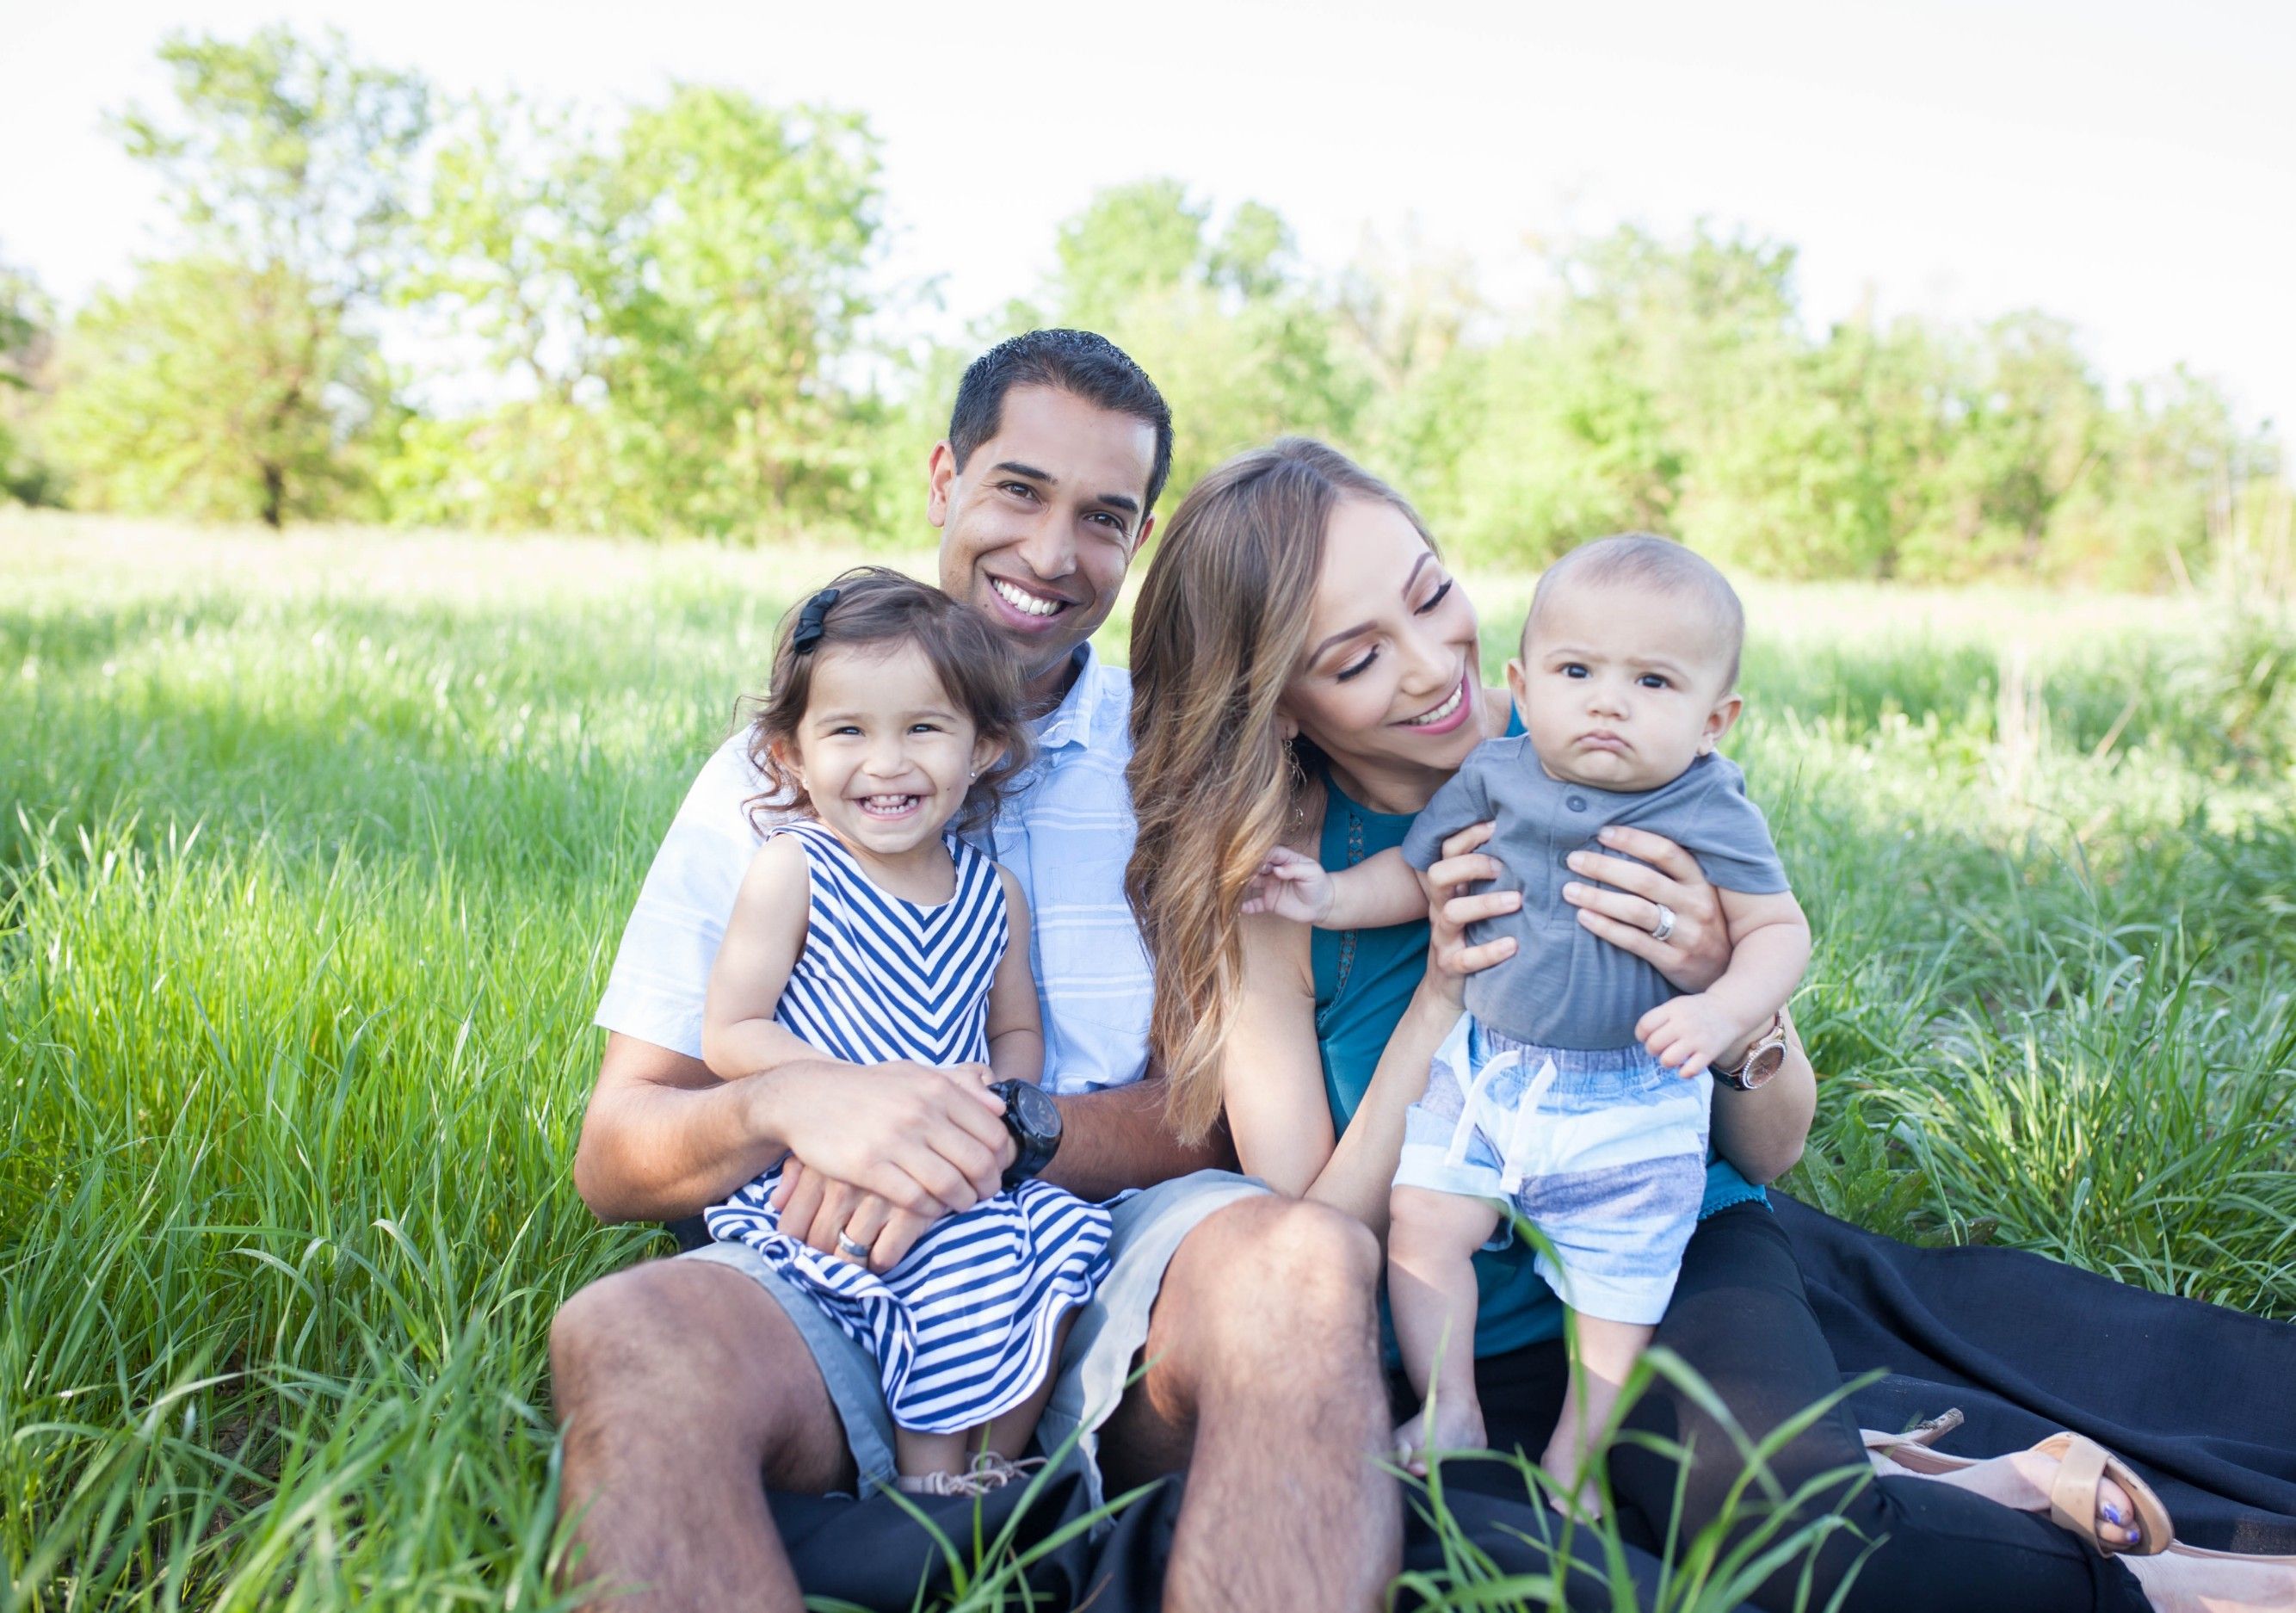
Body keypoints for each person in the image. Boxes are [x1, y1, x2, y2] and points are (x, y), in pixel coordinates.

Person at [1122, 436, 2296, 1613]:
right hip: (1459, 1342)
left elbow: (1772, 1148)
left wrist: (1717, 987)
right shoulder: (1281, 893)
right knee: (1567, 1573)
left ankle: (2174, 1583)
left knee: (1788, 1548)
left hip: (1672, 1242)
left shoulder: (1613, 732)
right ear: (1276, 705)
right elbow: (1315, 1238)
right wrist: (1441, 992)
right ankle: (1984, 1488)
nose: (1435, 668)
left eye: (1432, 595)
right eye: (1359, 656)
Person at [549, 332, 1401, 1613]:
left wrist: (984, 1135)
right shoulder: (780, 774)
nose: (1052, 553)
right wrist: (798, 1103)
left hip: (1115, 1261)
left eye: (1102, 517)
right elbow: (617, 1154)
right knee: (623, 1333)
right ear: (945, 478)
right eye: (1019, 489)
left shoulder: (1179, 759)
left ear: (1141, 538)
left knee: (1309, 1264)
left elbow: (1226, 1108)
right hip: (830, 1261)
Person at [1244, 534, 1811, 1502]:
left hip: (1627, 1100)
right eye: (1578, 672)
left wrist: (1721, 1000)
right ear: (1528, 680)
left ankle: (1574, 1455)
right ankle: (1449, 1404)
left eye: (1652, 683)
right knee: (1425, 1220)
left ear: (1715, 720)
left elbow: (1780, 932)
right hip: (1493, 1079)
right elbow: (1416, 873)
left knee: (1621, 1291)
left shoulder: (1705, 802)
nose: (1607, 703)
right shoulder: (1498, 774)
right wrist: (1330, 897)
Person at [694, 569, 1113, 1497]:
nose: (886, 763)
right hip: (838, 1165)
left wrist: (995, 1107)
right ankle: (925, 1490)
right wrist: (846, 1095)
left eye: (923, 729)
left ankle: (995, 1465)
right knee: (948, 1273)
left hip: (960, 1157)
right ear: (791, 754)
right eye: (848, 731)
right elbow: (732, 1030)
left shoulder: (993, 894)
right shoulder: (796, 870)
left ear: (983, 747)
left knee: (1058, 1249)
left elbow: (1015, 1029)